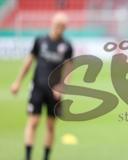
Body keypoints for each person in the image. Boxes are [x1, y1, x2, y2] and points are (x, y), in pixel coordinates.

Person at [10, 12, 73, 160]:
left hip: (54, 92)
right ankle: (28, 156)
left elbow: (69, 68)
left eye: (63, 26)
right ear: (52, 23)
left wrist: (62, 86)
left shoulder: (67, 45)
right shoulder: (40, 41)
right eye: (58, 24)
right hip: (37, 88)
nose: (60, 28)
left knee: (50, 126)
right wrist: (17, 81)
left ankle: (45, 157)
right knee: (33, 122)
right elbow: (29, 62)